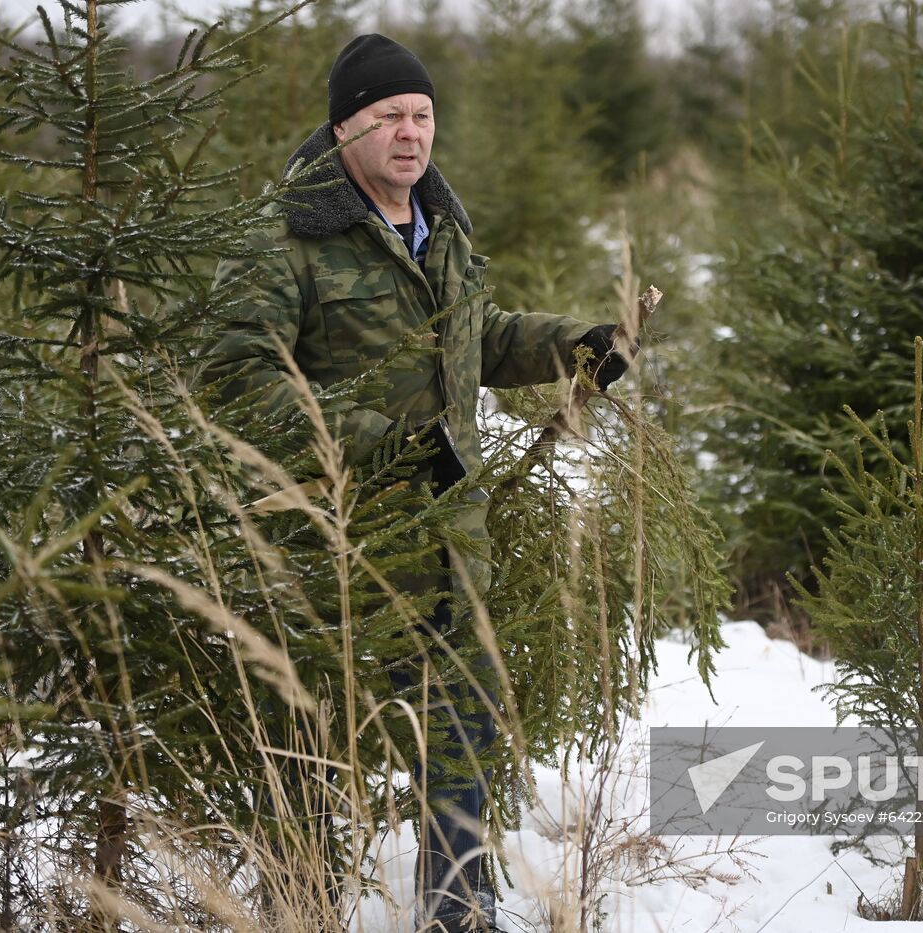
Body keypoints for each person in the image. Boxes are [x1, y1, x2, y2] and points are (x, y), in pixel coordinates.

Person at [200, 33, 633, 933]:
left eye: (422, 115)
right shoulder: (287, 237)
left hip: (449, 542)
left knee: (465, 738)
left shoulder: (442, 228)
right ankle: (300, 904)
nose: (409, 132)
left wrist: (574, 342)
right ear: (341, 130)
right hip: (335, 547)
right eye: (387, 115)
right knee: (316, 739)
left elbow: (480, 336)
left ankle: (459, 911)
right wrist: (385, 444)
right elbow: (241, 377)